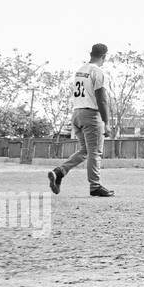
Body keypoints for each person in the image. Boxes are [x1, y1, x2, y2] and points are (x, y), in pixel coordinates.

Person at [47, 43, 114, 198]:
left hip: (77, 113)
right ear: (104, 56)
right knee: (95, 152)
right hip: (91, 115)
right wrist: (107, 122)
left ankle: (59, 172)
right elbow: (102, 99)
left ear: (91, 54)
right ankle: (95, 186)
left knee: (85, 151)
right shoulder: (98, 72)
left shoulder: (81, 70)